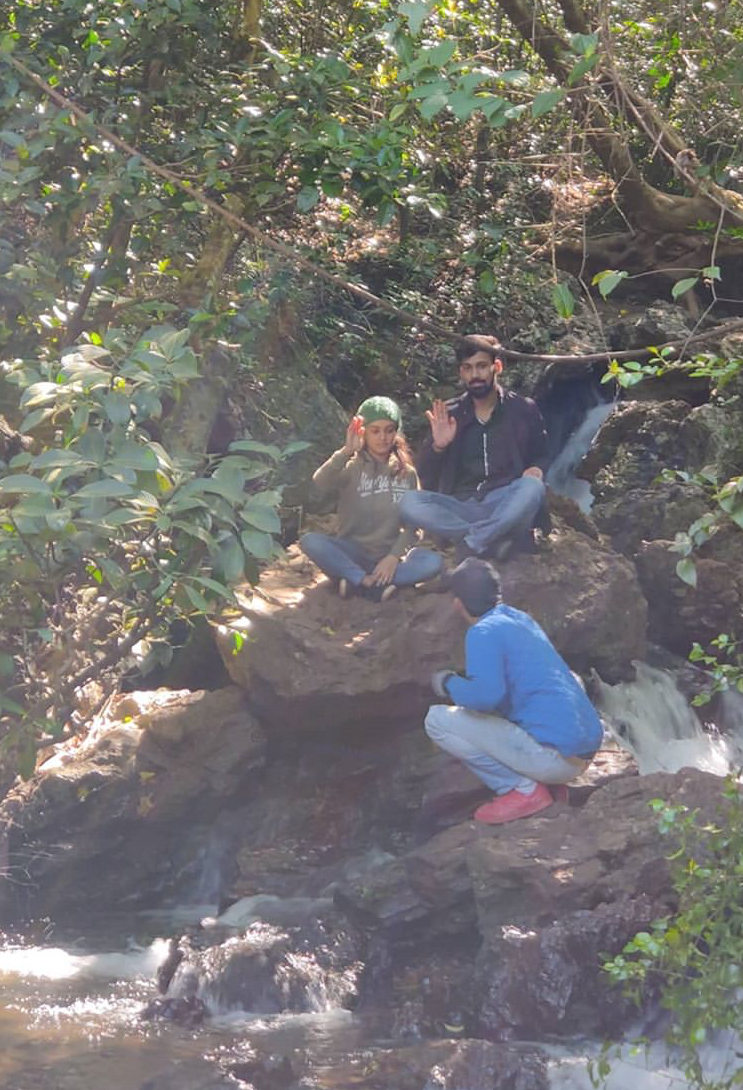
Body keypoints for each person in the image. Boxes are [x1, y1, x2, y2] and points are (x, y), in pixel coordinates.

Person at [426, 558, 603, 823]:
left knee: (436, 720)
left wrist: (448, 682)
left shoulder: (482, 632)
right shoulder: (520, 618)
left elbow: (485, 698)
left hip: (557, 762)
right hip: (585, 750)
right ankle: (552, 785)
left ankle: (523, 790)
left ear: (458, 603)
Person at [399, 334, 550, 560]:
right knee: (409, 502)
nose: (475, 375)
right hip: (462, 507)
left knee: (532, 487)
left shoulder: (523, 409)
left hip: (506, 502)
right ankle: (491, 539)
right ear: (461, 372)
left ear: (496, 367)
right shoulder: (450, 414)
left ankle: (472, 542)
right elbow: (424, 476)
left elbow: (542, 454)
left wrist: (537, 468)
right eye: (468, 368)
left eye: (481, 366)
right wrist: (438, 447)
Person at [300, 396, 443, 601]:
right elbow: (320, 481)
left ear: (396, 432)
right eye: (375, 431)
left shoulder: (407, 473)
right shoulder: (350, 467)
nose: (383, 437)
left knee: (432, 562)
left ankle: (355, 582)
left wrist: (393, 556)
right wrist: (346, 451)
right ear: (363, 432)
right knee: (311, 542)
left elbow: (414, 525)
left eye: (389, 430)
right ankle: (368, 582)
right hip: (353, 553)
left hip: (390, 558)